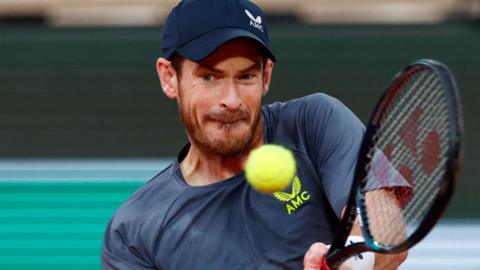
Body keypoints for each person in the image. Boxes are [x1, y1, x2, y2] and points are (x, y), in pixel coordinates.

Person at [101, 0, 407, 269]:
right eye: (209, 77)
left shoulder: (316, 122)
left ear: (266, 76)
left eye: (246, 76)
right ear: (169, 78)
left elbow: (384, 224)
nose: (231, 100)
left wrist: (352, 263)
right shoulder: (132, 232)